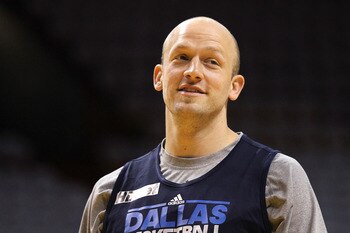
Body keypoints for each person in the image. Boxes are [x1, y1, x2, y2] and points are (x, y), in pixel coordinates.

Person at [79, 16, 327, 233]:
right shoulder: (110, 191)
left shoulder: (277, 177)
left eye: (212, 62)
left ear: (234, 86)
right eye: (182, 57)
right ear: (159, 77)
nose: (193, 71)